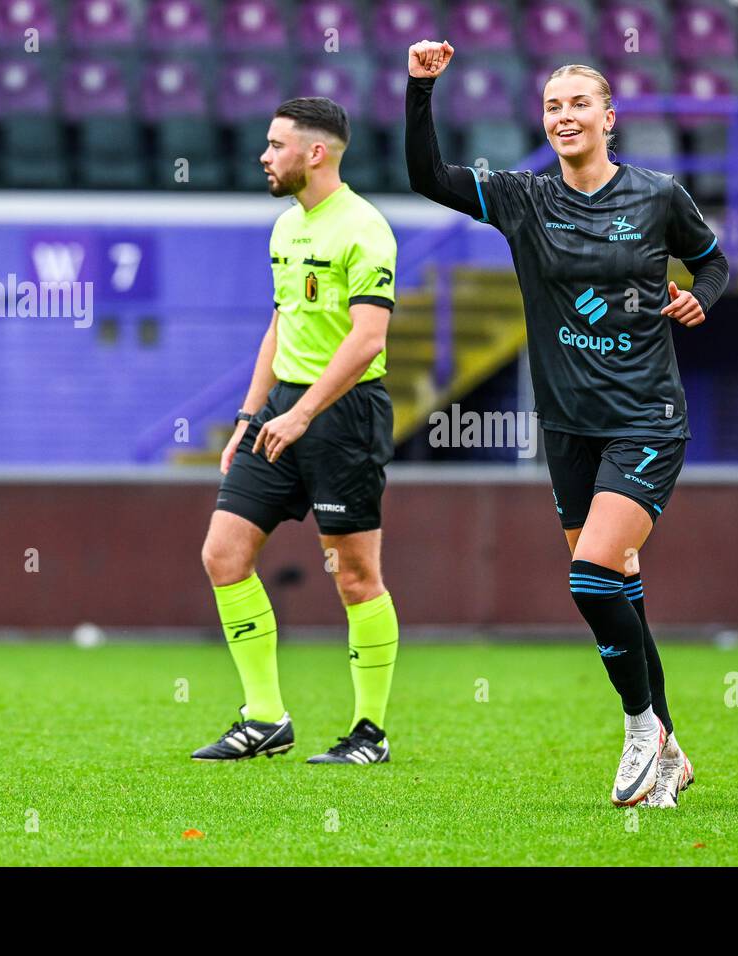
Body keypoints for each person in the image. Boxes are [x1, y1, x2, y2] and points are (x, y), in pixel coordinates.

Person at [406, 41, 729, 806]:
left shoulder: (658, 196)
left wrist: (700, 298)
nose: (564, 116)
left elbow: (713, 263)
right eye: (553, 107)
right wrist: (421, 89)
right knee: (615, 579)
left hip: (646, 418)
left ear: (609, 118)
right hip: (566, 428)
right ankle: (673, 754)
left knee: (588, 575)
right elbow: (427, 177)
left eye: (579, 103)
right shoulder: (524, 200)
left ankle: (641, 726)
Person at [193, 97, 403, 763]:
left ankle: (370, 732)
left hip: (344, 418)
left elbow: (368, 340)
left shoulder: (366, 230)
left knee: (353, 575)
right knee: (222, 554)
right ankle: (265, 718)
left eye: (276, 144)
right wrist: (250, 418)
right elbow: (281, 325)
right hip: (281, 410)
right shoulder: (286, 229)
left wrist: (304, 412)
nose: (264, 155)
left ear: (315, 153)